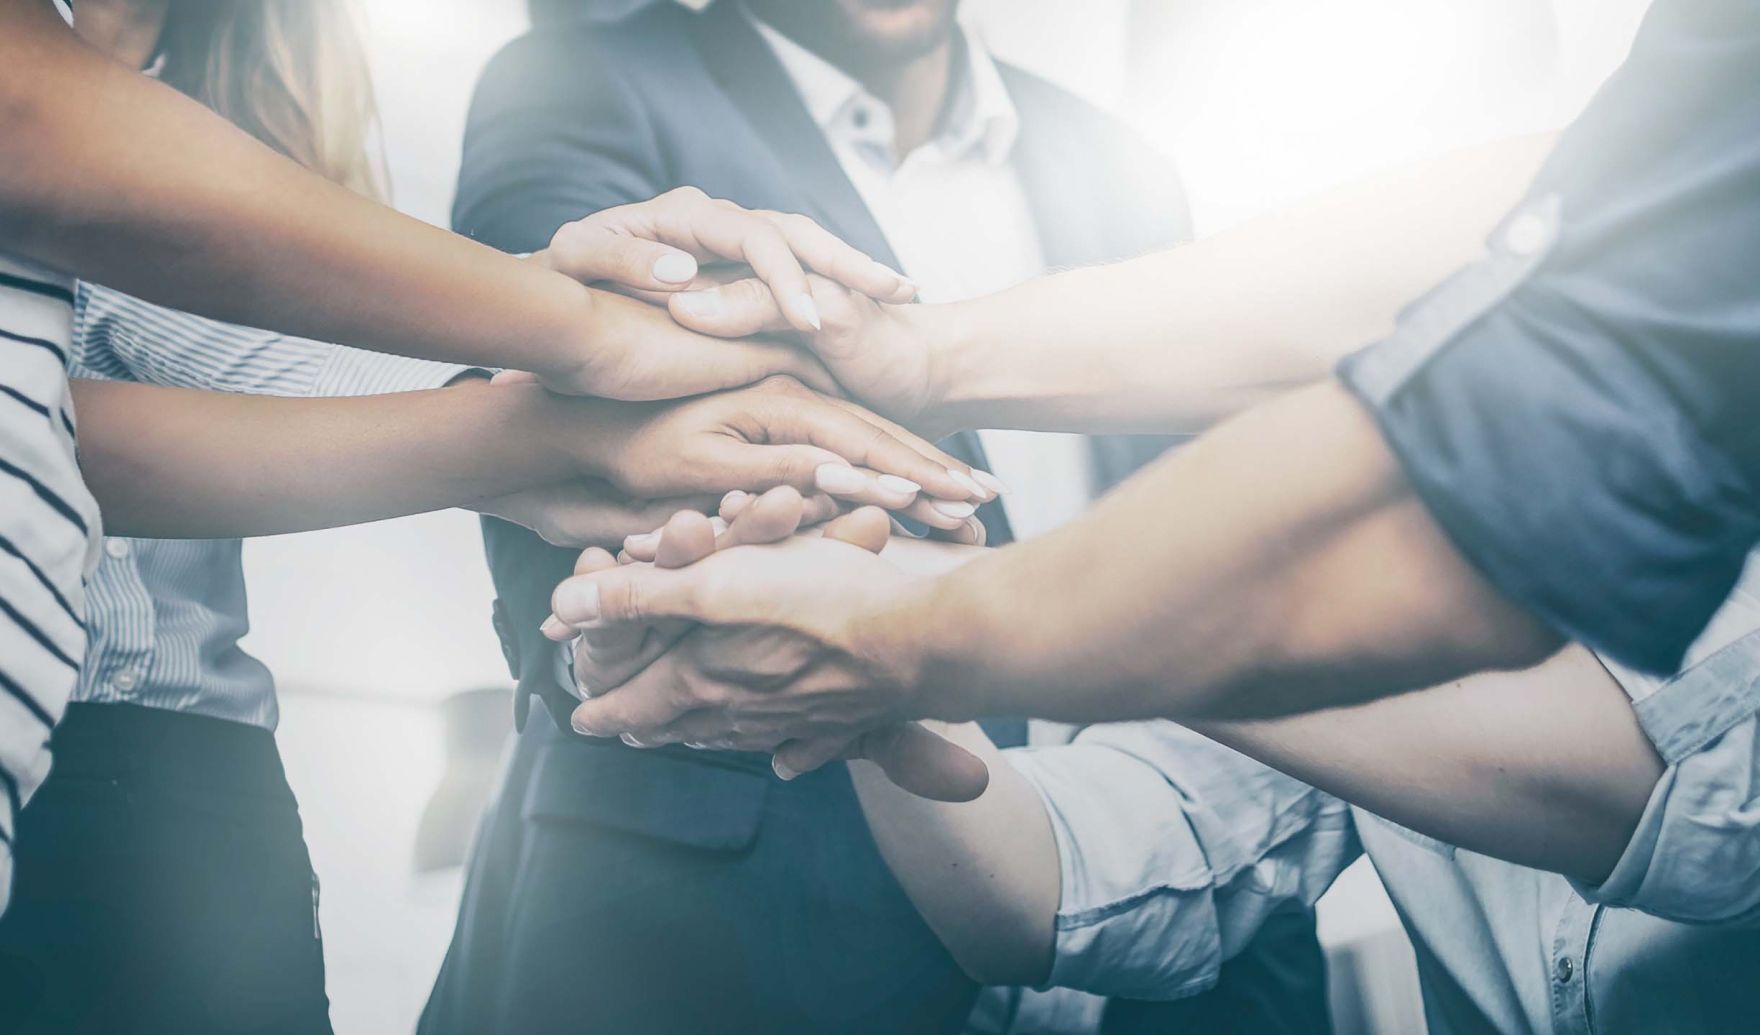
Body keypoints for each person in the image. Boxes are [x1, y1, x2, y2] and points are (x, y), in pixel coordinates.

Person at [0, 0, 974, 1026]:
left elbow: (54, 413)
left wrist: (550, 401)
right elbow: (14, 137)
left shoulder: (247, 94)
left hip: (151, 772)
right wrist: (581, 343)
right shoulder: (16, 95)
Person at [545, 0, 1760, 774]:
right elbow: (1550, 232)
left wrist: (923, 624)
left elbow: (1493, 472)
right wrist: (925, 357)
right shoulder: (596, 76)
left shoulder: (1113, 154)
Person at [421, 1, 1325, 1031]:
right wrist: (608, 625)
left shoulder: (1123, 162)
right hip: (751, 922)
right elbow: (558, 401)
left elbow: (1229, 490)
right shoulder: (583, 77)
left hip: (1176, 915)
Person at [583, 491, 1760, 1034]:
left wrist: (946, 616)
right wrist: (882, 695)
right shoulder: (1420, 527)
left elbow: (1663, 795)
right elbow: (1072, 889)